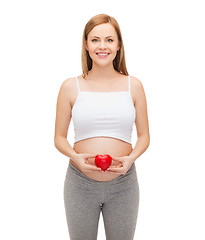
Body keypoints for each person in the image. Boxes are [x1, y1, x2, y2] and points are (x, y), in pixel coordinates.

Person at [54, 13, 150, 240]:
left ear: (118, 46)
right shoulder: (70, 86)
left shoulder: (133, 86)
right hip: (80, 184)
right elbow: (59, 137)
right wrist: (74, 157)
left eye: (109, 39)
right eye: (95, 39)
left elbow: (144, 136)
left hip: (124, 185)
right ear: (86, 45)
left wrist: (131, 159)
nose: (102, 46)